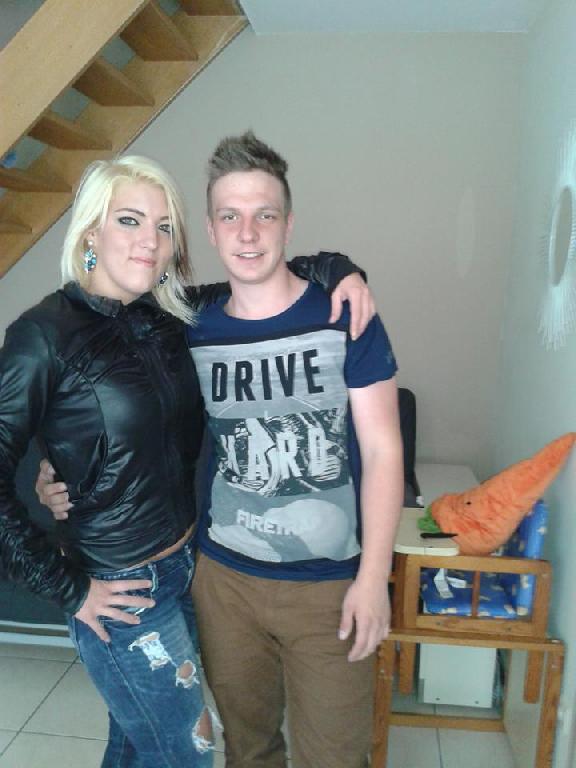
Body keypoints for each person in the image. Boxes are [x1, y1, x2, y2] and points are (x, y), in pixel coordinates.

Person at [0, 153, 372, 768]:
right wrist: (70, 589)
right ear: (90, 231)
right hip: (122, 586)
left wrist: (342, 270)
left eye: (164, 226)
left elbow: (265, 270)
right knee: (188, 751)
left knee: (136, 743)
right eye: (129, 220)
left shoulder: (171, 318)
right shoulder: (42, 335)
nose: (150, 241)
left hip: (190, 568)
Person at [186, 132, 403, 768]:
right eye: (230, 216)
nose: (248, 233)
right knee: (248, 750)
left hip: (329, 587)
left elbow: (384, 452)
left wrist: (374, 578)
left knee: (334, 757)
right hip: (225, 582)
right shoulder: (190, 327)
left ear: (289, 223)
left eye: (265, 214)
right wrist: (59, 466)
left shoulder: (344, 315)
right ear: (211, 229)